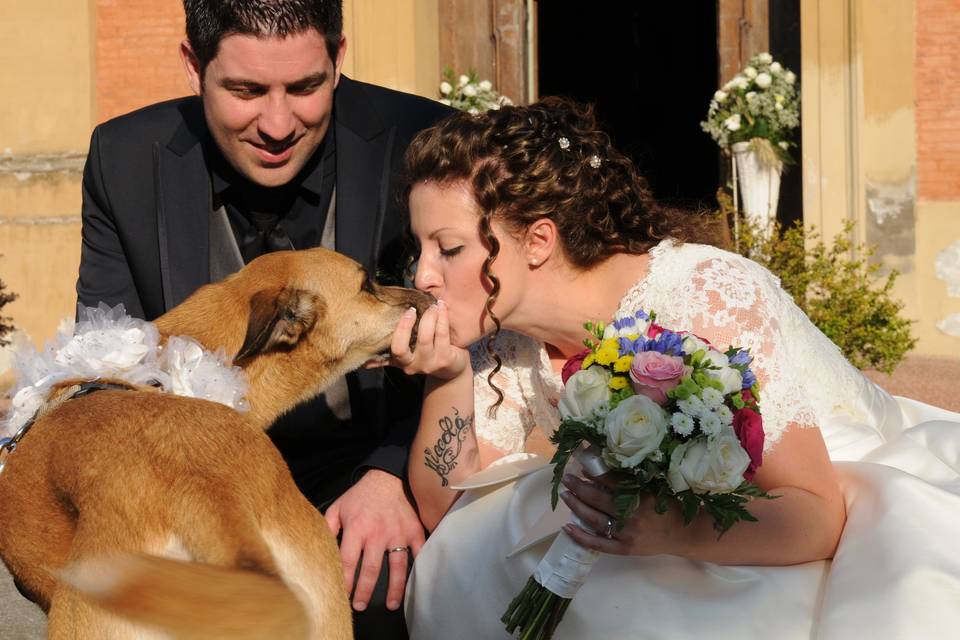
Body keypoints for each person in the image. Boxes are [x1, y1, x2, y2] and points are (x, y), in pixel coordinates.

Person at [389, 98, 960, 639]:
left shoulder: (706, 296)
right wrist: (449, 375)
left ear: (538, 241)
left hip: (835, 519)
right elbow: (451, 515)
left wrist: (668, 531)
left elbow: (819, 514)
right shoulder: (507, 343)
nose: (423, 278)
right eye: (422, 248)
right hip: (679, 545)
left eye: (449, 248)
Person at [74, 1, 450, 637]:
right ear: (194, 65)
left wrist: (392, 473)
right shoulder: (123, 157)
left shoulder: (423, 139)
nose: (278, 124)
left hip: (364, 469)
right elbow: (103, 362)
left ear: (338, 58)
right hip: (188, 484)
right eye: (246, 91)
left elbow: (479, 334)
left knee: (388, 593)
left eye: (305, 87)